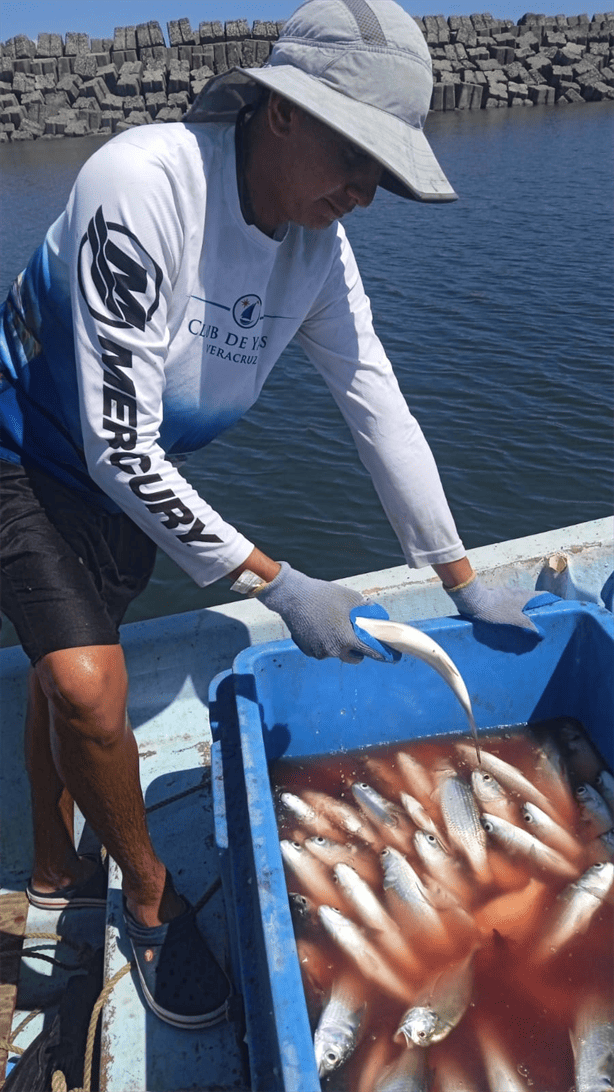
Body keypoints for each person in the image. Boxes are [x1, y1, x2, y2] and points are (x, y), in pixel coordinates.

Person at [0, 0, 541, 1028]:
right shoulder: (142, 184)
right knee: (83, 677)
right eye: (357, 157)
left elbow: (376, 403)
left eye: (382, 172)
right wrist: (275, 581)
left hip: (144, 470)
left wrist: (460, 582)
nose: (364, 193)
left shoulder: (315, 253)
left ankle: (50, 865)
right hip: (27, 445)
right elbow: (115, 445)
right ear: (282, 114)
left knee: (68, 672)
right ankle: (151, 902)